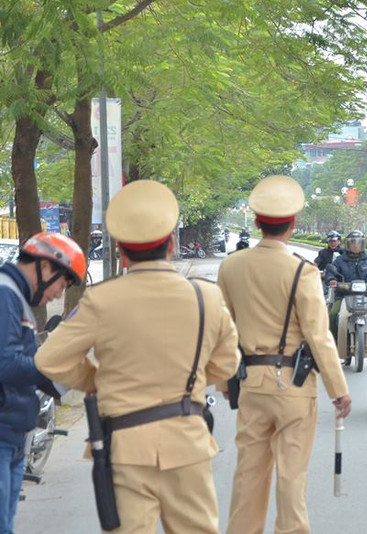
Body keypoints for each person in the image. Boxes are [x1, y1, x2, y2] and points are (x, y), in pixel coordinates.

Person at [36, 180, 241, 534]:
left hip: (125, 445)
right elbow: (227, 364)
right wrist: (188, 380)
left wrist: (97, 380)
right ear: (172, 244)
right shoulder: (206, 296)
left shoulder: (102, 300)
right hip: (188, 441)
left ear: (121, 252)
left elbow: (49, 359)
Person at [217, 175, 351, 534]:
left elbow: (223, 331)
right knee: (292, 476)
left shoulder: (231, 267)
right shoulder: (302, 271)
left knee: (248, 476)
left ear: (258, 222)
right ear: (292, 224)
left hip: (250, 385)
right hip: (293, 385)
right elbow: (318, 336)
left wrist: (223, 384)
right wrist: (338, 389)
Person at [0, 232, 85, 533]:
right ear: (46, 268)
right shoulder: (5, 294)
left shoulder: (15, 297)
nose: (59, 295)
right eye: (63, 284)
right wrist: (54, 367)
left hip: (12, 435)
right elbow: (6, 365)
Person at [326, 230, 367, 356]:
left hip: (365, 295)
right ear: (348, 244)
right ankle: (333, 345)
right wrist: (331, 280)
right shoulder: (340, 260)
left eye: (359, 243)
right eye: (353, 243)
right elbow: (331, 272)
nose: (356, 246)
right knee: (333, 314)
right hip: (343, 295)